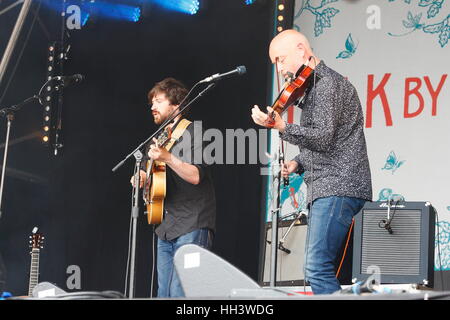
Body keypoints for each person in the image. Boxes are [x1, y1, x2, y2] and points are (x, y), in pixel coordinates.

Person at [251, 29, 372, 295]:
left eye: (280, 59)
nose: (279, 68)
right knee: (327, 270)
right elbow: (329, 139)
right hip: (334, 185)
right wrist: (298, 162)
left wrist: (283, 126)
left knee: (316, 268)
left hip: (337, 185)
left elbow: (324, 138)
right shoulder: (316, 86)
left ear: (301, 50)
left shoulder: (326, 84)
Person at [131, 77, 216, 298]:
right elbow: (154, 177)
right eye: (152, 102)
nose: (152, 106)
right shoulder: (157, 138)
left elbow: (197, 175)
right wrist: (142, 178)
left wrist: (168, 157)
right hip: (165, 226)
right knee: (163, 294)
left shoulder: (195, 132)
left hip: (192, 223)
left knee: (182, 293)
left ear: (176, 104)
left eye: (158, 101)